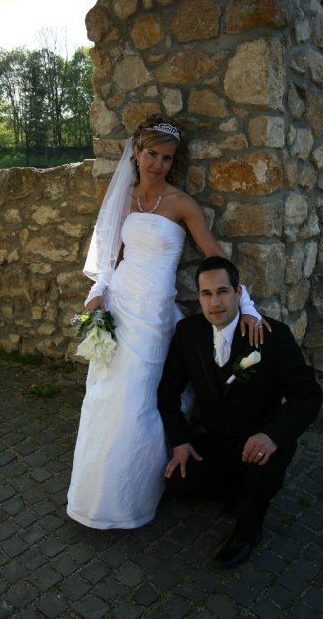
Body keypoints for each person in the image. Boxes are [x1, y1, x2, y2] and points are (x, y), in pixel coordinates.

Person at [67, 116, 266, 530]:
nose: (157, 164)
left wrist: (246, 305)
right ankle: (92, 496)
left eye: (167, 158)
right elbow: (113, 259)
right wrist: (97, 293)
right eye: (152, 155)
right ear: (137, 153)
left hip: (154, 317)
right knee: (105, 398)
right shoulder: (122, 198)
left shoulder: (181, 204)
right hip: (119, 308)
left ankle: (133, 497)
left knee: (140, 403)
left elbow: (216, 258)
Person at [157, 256, 322, 567]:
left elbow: (308, 396)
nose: (215, 302)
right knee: (177, 483)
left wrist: (273, 436)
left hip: (260, 441)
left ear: (238, 293)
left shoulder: (273, 336)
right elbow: (167, 392)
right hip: (216, 440)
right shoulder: (188, 332)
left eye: (222, 291)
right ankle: (239, 488)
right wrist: (180, 441)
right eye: (206, 294)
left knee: (262, 473)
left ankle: (250, 528)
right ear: (199, 297)